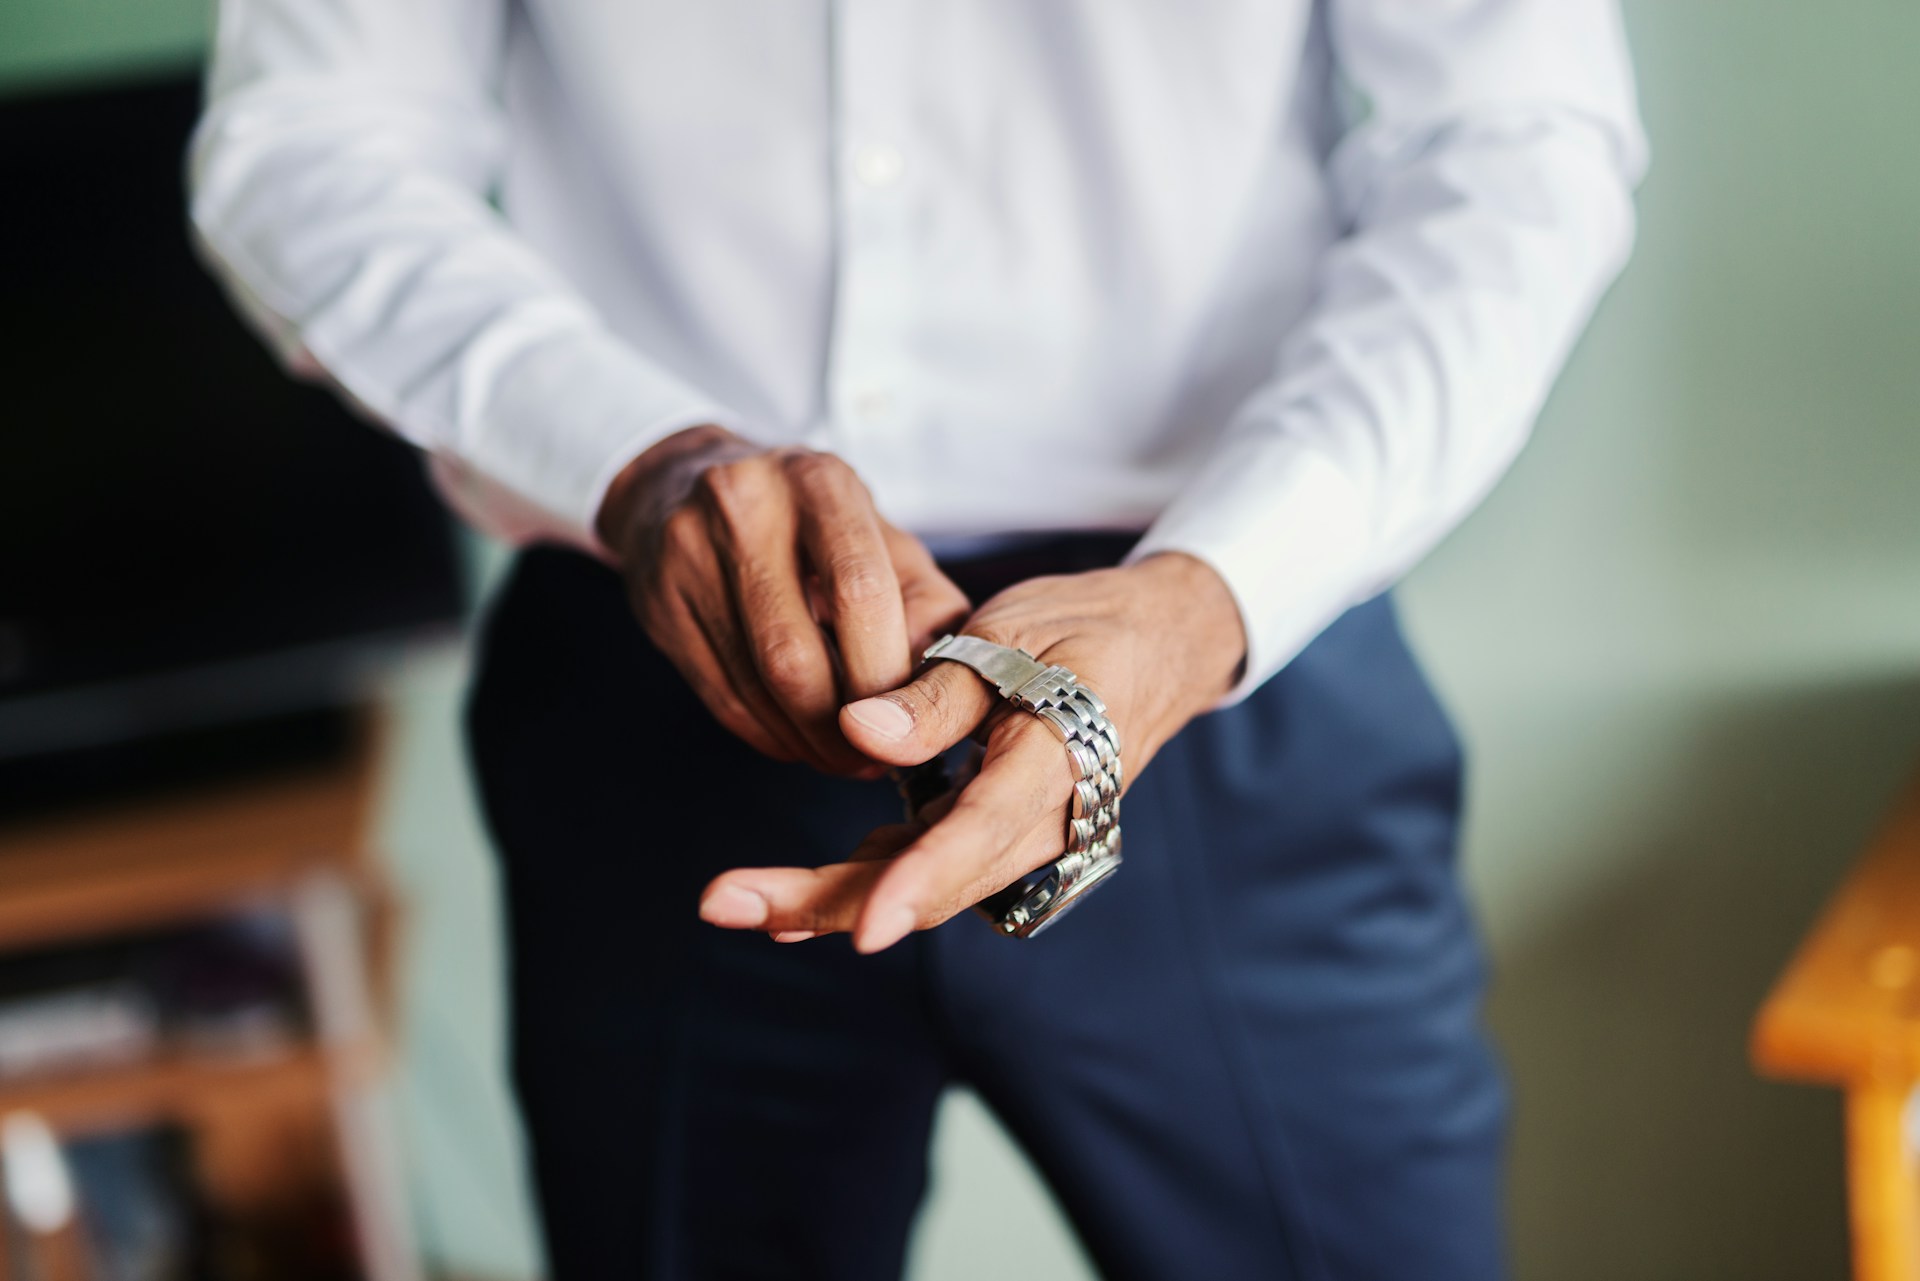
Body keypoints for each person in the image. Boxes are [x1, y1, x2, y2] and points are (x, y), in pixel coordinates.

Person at [190, 3, 1645, 1276]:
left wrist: (1217, 592)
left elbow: (1517, 139)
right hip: (670, 668)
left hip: (1225, 671)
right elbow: (310, 138)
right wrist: (635, 461)